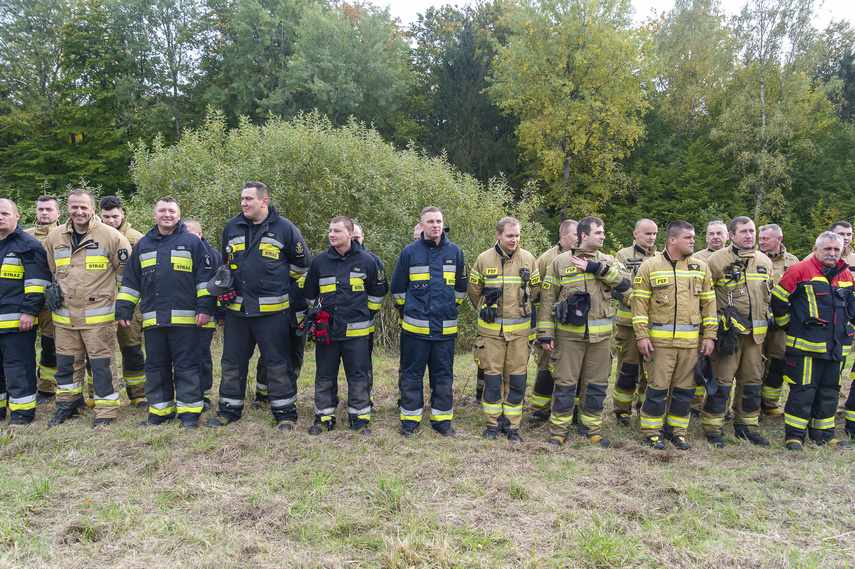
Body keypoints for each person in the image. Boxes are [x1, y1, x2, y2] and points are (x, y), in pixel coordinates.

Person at [207, 182, 310, 431]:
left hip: (272, 314)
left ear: (264, 201)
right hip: (238, 312)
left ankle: (285, 413)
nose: (243, 203)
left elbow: (302, 265)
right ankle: (228, 410)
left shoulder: (285, 229)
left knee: (277, 364)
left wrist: (278, 286)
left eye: (249, 199)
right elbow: (226, 263)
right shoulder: (232, 227)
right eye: (242, 198)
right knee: (232, 363)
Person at [116, 198, 215, 428]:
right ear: (154, 214)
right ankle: (160, 412)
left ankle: (189, 414)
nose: (167, 214)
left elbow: (205, 280)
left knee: (187, 367)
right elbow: (131, 281)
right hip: (154, 321)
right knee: (155, 368)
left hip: (187, 322)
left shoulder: (192, 242)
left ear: (179, 215)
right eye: (162, 210)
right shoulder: (143, 244)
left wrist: (204, 309)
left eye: (172, 211)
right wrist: (123, 309)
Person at [536, 216, 630, 447]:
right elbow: (547, 300)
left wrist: (597, 269)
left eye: (603, 232)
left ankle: (591, 429)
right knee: (565, 385)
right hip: (569, 338)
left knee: (596, 386)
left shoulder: (608, 260)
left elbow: (628, 283)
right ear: (584, 236)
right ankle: (559, 430)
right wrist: (545, 334)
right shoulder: (560, 262)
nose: (603, 236)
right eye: (598, 232)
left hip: (601, 340)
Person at [44, 188, 131, 427]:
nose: (79, 211)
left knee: (102, 366)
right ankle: (67, 405)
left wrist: (123, 308)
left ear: (93, 209)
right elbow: (53, 272)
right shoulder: (55, 237)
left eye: (84, 207)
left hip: (99, 319)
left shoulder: (111, 237)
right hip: (63, 318)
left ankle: (105, 412)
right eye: (74, 207)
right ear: (68, 208)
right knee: (66, 364)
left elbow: (127, 277)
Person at [632, 221, 717, 450]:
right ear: (672, 240)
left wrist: (710, 336)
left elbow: (709, 305)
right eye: (688, 238)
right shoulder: (650, 266)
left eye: (693, 237)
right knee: (657, 389)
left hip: (690, 345)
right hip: (660, 345)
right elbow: (639, 305)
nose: (693, 241)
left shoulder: (701, 267)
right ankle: (652, 432)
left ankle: (677, 432)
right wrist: (641, 335)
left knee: (684, 392)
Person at [302, 216, 386, 435]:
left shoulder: (368, 261)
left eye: (337, 231)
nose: (331, 235)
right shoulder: (320, 261)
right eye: (330, 230)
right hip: (326, 333)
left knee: (358, 377)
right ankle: (324, 418)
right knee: (324, 375)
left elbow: (377, 294)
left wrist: (364, 315)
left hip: (356, 334)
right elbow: (310, 294)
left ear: (350, 234)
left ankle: (359, 420)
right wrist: (319, 316)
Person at [771, 231, 854, 449]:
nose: (832, 253)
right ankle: (795, 436)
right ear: (815, 249)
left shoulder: (846, 275)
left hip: (836, 348)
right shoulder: (799, 270)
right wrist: (789, 325)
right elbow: (778, 301)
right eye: (827, 249)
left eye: (836, 249)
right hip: (805, 348)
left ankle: (824, 435)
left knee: (830, 392)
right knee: (803, 392)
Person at [391, 206, 467, 437]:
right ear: (422, 225)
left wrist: (447, 310)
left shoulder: (455, 252)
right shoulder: (409, 252)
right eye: (431, 221)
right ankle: (410, 422)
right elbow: (397, 289)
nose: (436, 225)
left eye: (439, 221)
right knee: (412, 377)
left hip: (445, 330)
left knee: (443, 377)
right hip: (415, 331)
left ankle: (442, 422)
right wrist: (411, 311)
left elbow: (461, 291)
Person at [701, 216, 774, 448]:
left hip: (755, 338)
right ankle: (713, 428)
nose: (749, 235)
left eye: (751, 231)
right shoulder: (716, 260)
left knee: (752, 383)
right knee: (721, 383)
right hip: (728, 337)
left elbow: (768, 297)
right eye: (743, 231)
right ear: (731, 235)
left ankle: (748, 428)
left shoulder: (764, 261)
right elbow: (704, 297)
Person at [468, 217, 540, 442]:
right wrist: (484, 308)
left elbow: (535, 290)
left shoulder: (528, 259)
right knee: (493, 380)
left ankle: (512, 427)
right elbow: (474, 291)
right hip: (491, 335)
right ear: (498, 235)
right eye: (510, 236)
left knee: (517, 380)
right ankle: (492, 426)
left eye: (517, 235)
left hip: (519, 335)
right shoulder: (483, 259)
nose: (514, 240)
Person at [0, 199, 51, 425]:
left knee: (18, 368)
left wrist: (30, 312)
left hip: (16, 323)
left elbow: (38, 283)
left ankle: (22, 414)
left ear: (17, 216)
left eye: (5, 213)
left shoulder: (27, 245)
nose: (1, 217)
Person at [529, 219, 577, 425]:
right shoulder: (546, 259)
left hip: (573, 328)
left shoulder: (582, 257)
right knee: (545, 369)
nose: (580, 239)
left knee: (573, 371)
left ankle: (571, 411)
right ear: (564, 235)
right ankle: (540, 411)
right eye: (576, 235)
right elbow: (534, 292)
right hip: (549, 324)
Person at [100, 196, 147, 407]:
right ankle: (96, 393)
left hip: (130, 305)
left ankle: (138, 395)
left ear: (122, 215)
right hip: (100, 305)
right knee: (99, 352)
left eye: (114, 216)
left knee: (132, 349)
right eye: (106, 217)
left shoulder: (137, 238)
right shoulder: (92, 236)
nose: (110, 221)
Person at [612, 218, 658, 426]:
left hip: (654, 325)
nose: (651, 238)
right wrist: (639, 302)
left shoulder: (660, 258)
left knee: (650, 371)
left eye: (655, 234)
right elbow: (617, 286)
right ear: (635, 234)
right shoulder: (623, 255)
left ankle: (643, 406)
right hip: (629, 324)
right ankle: (621, 411)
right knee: (628, 369)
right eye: (647, 233)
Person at [757, 223, 799, 416]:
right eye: (760, 238)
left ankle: (770, 403)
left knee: (777, 362)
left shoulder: (793, 262)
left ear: (779, 239)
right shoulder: (754, 258)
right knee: (755, 362)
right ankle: (750, 403)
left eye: (765, 238)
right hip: (758, 320)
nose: (761, 242)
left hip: (781, 323)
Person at [184, 219, 225, 409]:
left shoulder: (213, 255)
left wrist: (221, 312)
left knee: (202, 356)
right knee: (184, 357)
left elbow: (221, 286)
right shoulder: (178, 253)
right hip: (182, 317)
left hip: (206, 317)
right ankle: (188, 395)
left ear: (200, 235)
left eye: (190, 232)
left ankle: (205, 395)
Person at [25, 195, 62, 404]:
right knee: (23, 346)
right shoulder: (24, 236)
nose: (44, 213)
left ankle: (47, 389)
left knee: (51, 345)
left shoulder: (62, 235)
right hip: (26, 299)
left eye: (49, 209)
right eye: (40, 209)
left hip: (52, 301)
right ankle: (24, 385)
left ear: (58, 213)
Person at [691, 220, 730, 414]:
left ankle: (721, 407)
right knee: (700, 366)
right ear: (706, 238)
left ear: (728, 236)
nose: (716, 237)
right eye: (712, 234)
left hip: (729, 325)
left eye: (719, 233)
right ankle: (694, 406)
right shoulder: (696, 259)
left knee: (725, 370)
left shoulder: (735, 259)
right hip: (702, 322)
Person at [352, 221, 388, 409]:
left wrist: (367, 314)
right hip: (333, 326)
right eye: (351, 238)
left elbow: (381, 291)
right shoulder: (327, 260)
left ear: (363, 237)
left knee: (364, 366)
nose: (354, 242)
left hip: (363, 326)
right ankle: (330, 401)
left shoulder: (372, 260)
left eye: (357, 238)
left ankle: (367, 399)